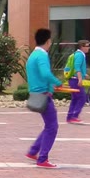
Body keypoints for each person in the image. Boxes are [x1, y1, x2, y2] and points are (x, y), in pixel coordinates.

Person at [25, 29, 62, 169]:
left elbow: (38, 76)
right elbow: (45, 74)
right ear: (47, 41)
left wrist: (51, 86)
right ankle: (42, 158)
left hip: (36, 94)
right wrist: (57, 83)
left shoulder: (33, 55)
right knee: (52, 127)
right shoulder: (42, 55)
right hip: (43, 95)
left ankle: (33, 151)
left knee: (49, 125)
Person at [66, 40, 90, 124]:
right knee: (82, 98)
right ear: (82, 47)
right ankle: (74, 116)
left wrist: (84, 74)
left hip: (73, 79)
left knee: (75, 98)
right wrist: (80, 78)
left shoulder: (77, 54)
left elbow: (78, 67)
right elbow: (77, 67)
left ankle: (70, 117)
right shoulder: (80, 55)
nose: (89, 48)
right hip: (75, 79)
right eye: (87, 46)